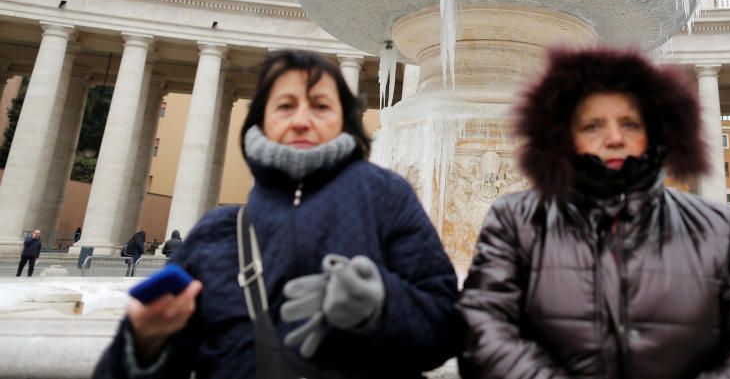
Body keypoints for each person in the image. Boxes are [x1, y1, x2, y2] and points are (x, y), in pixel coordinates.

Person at [94, 49, 459, 378]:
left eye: (320, 106)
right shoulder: (216, 232)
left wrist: (381, 303)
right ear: (260, 123)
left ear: (345, 122)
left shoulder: (387, 198)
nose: (301, 120)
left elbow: (447, 328)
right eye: (285, 106)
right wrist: (143, 343)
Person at [458, 47, 730, 379]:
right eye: (593, 126)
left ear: (655, 134)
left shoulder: (719, 227)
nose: (615, 138)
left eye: (631, 124)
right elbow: (483, 330)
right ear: (564, 137)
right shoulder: (516, 218)